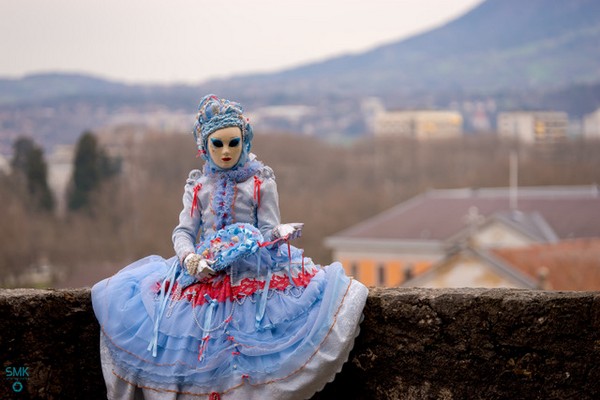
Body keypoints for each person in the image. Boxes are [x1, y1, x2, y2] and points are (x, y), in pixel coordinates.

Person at [92, 94, 368, 400]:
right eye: (217, 144)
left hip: (251, 273)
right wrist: (191, 260)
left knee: (252, 352)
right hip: (203, 274)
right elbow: (183, 231)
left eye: (233, 143)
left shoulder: (260, 182)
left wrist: (278, 233)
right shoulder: (198, 187)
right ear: (205, 146)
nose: (225, 151)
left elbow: (266, 231)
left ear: (244, 141)